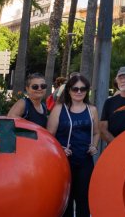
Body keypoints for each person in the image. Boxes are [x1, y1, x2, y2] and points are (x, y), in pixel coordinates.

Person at [47, 73, 98, 217]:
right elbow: (49, 136)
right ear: (68, 90)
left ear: (87, 91)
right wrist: (61, 149)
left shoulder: (92, 110)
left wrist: (94, 146)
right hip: (64, 161)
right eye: (75, 89)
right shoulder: (58, 109)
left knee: (84, 200)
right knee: (66, 200)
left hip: (85, 161)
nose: (79, 92)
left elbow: (97, 133)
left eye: (83, 89)